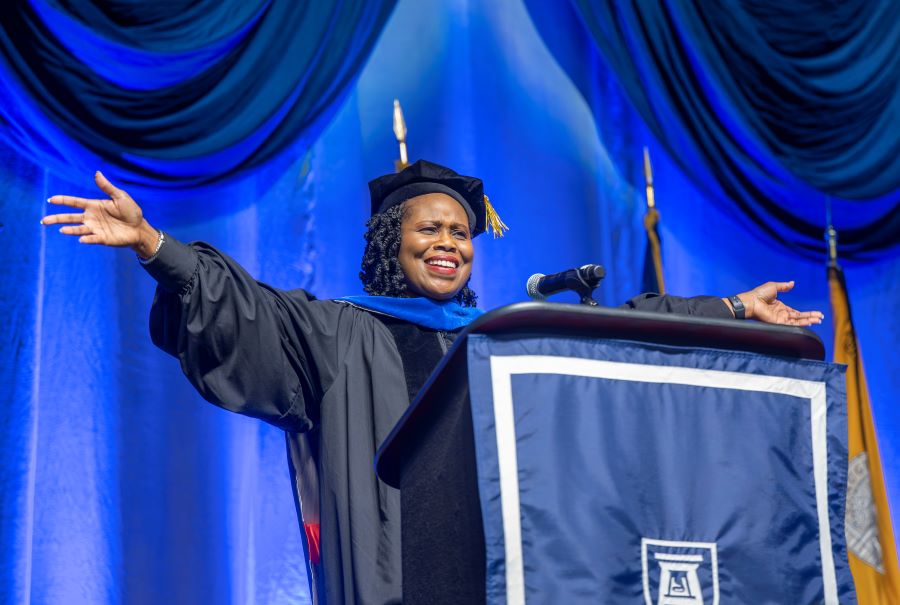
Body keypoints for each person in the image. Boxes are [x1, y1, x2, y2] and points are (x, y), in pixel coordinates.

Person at [42, 159, 823, 604]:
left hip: (510, 573)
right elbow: (242, 311)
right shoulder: (337, 333)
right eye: (430, 228)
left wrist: (724, 308)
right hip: (398, 575)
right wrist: (155, 245)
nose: (450, 242)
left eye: (461, 231)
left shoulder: (506, 339)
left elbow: (614, 334)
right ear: (392, 240)